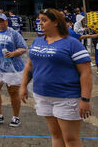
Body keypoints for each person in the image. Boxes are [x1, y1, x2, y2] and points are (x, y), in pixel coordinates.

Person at [20, 8, 92, 147]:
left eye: (44, 20)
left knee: (71, 139)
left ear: (56, 22)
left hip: (67, 97)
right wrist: (23, 86)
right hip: (43, 96)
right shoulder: (38, 41)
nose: (40, 23)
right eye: (39, 20)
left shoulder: (72, 43)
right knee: (56, 134)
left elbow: (86, 73)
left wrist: (85, 99)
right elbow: (30, 66)